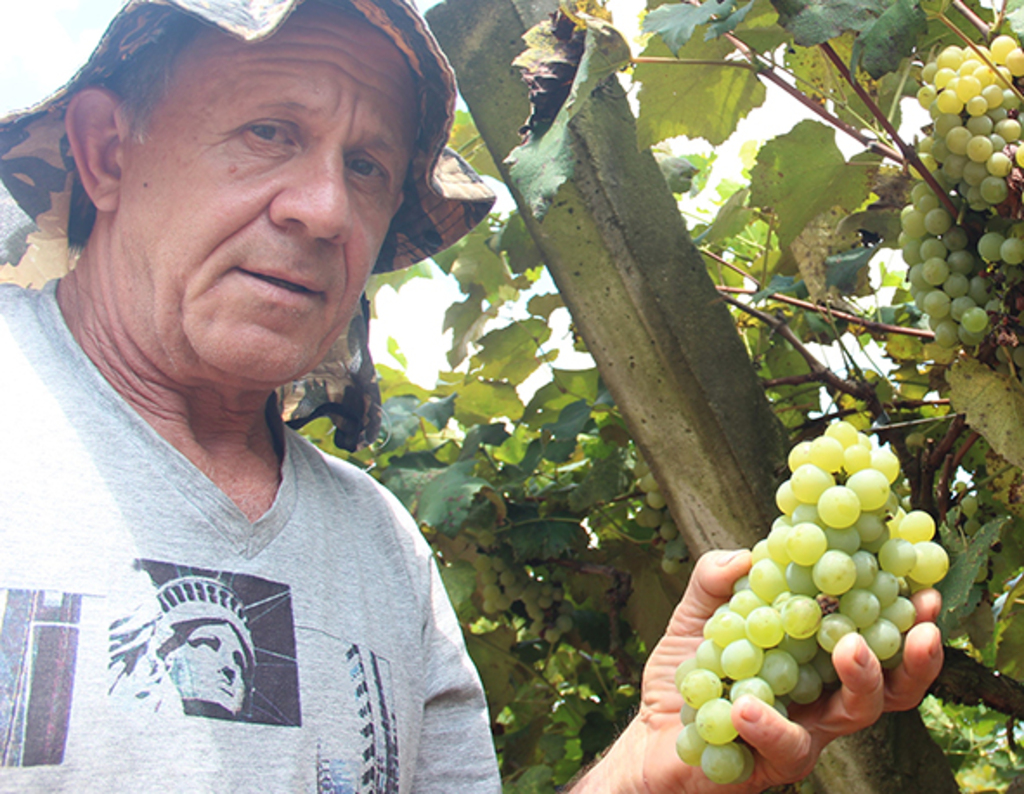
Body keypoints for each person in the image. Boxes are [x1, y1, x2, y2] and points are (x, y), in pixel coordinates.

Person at [0, 0, 943, 790]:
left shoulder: (378, 546)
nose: (324, 210)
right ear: (107, 152)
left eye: (366, 166)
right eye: (268, 132)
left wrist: (654, 768)